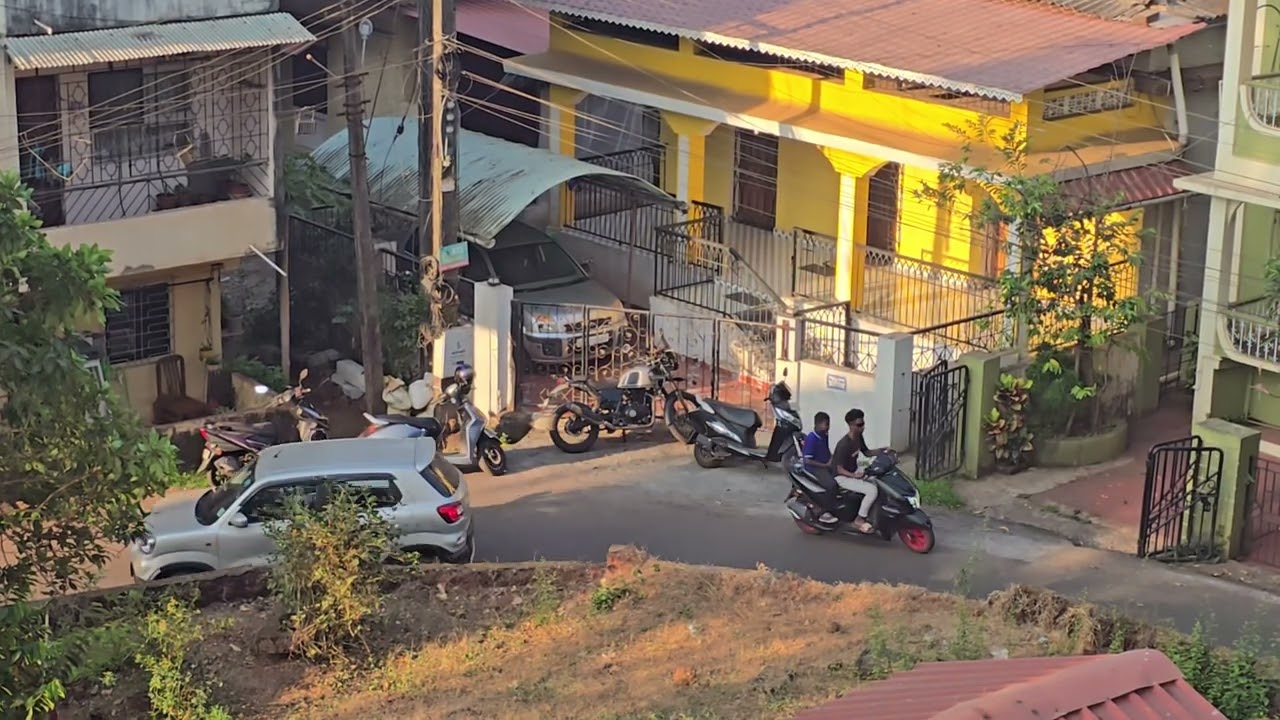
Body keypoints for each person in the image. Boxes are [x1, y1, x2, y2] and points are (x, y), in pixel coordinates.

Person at [831, 408, 888, 534]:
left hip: (853, 472)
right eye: (859, 425)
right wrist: (854, 476)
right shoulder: (844, 444)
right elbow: (839, 469)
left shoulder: (858, 437)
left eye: (863, 424)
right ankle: (859, 519)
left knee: (877, 481)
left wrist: (883, 450)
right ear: (851, 425)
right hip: (842, 477)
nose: (863, 427)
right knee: (872, 490)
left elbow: (867, 453)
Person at [801, 412, 840, 523]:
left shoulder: (824, 435)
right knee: (831, 485)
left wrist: (832, 458)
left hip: (825, 465)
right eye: (826, 424)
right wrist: (825, 465)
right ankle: (824, 512)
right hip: (814, 468)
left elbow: (826, 450)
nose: (828, 427)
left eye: (829, 424)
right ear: (818, 424)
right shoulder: (812, 438)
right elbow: (807, 460)